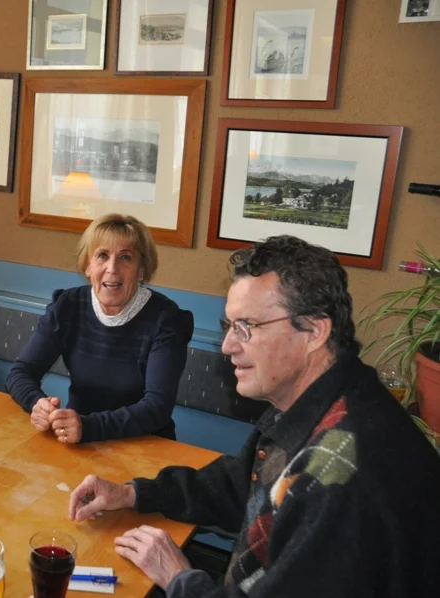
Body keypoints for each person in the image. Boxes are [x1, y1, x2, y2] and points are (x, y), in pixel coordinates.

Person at [68, 236, 440, 597]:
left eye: (247, 326)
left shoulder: (342, 481)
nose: (228, 346)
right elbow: (242, 484)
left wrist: (180, 578)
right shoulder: (320, 401)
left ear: (313, 330)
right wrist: (134, 492)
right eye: (229, 327)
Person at [6, 213, 193, 444]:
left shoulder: (165, 320)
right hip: (78, 442)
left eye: (126, 257)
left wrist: (88, 426)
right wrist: (38, 404)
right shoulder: (68, 306)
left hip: (144, 446)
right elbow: (21, 372)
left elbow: (157, 407)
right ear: (87, 266)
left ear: (142, 270)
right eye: (102, 255)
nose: (112, 268)